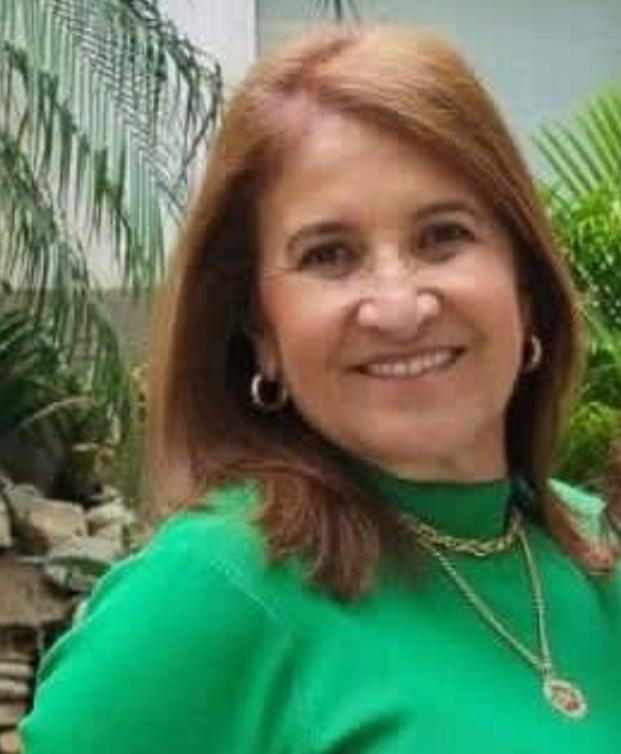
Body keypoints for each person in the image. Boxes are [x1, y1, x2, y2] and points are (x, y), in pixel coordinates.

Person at [21, 25, 621, 753]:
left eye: (442, 236)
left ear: (523, 281)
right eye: (329, 255)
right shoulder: (212, 591)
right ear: (261, 331)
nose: (399, 307)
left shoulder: (600, 551)